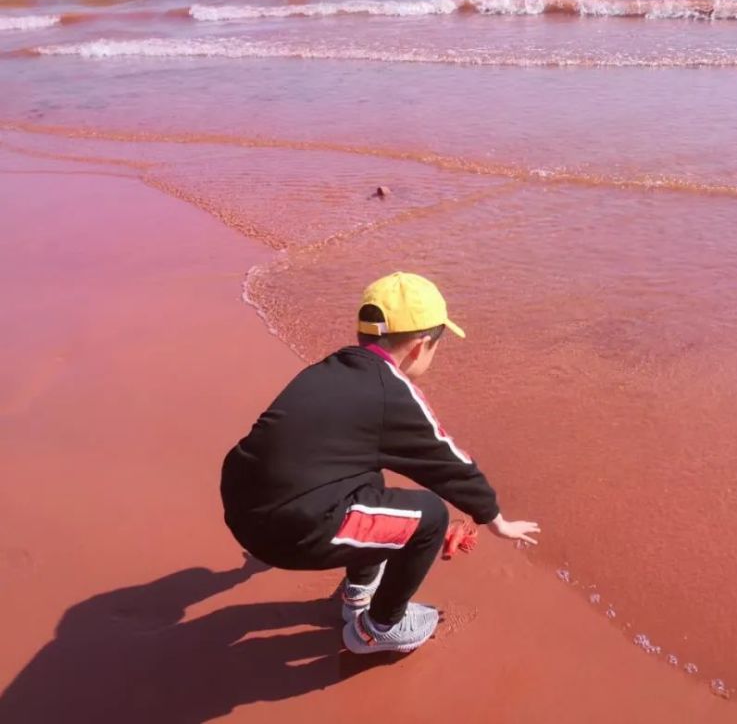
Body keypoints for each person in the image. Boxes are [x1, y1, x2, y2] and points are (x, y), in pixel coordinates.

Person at [221, 272, 540, 654]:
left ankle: (358, 593)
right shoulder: (393, 392)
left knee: (367, 476)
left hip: (242, 503)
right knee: (431, 516)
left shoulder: (330, 368)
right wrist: (496, 520)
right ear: (421, 346)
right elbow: (449, 463)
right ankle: (378, 628)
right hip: (290, 531)